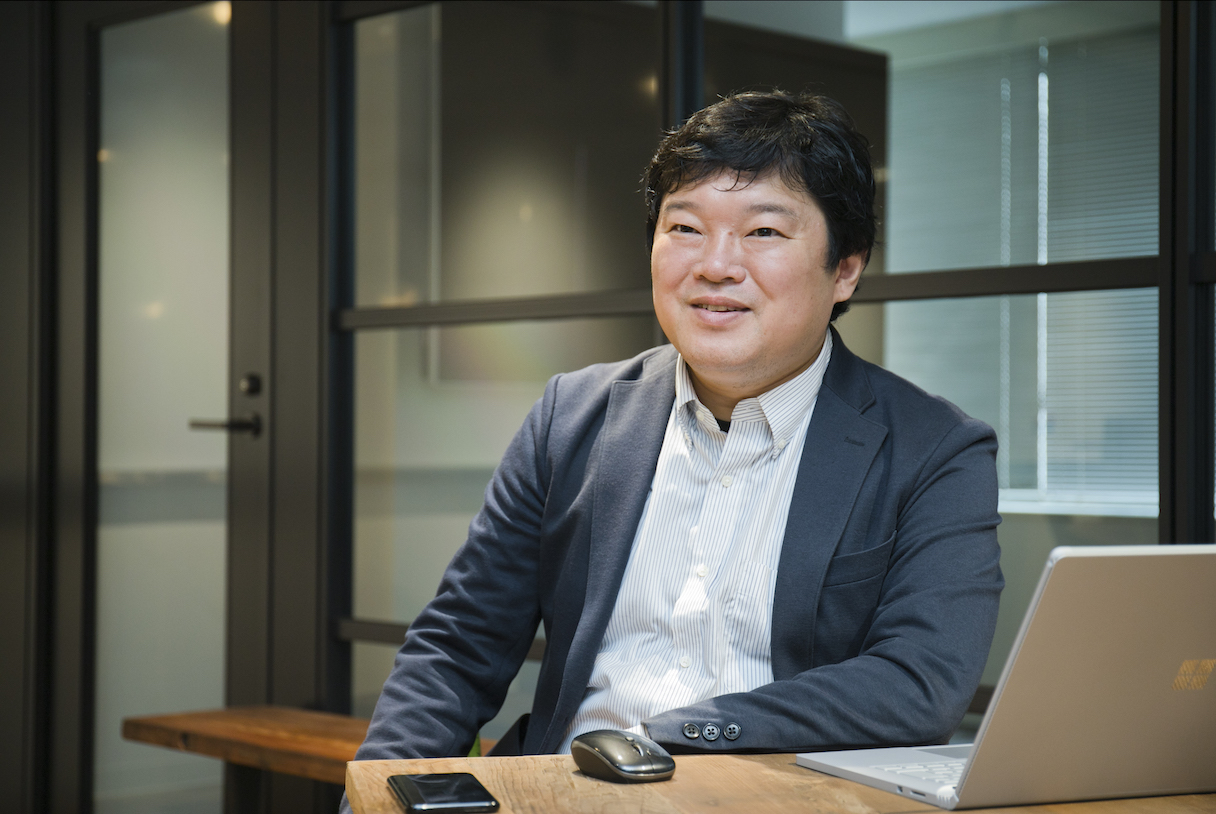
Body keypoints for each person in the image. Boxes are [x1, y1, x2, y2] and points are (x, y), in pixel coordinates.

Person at [348, 90, 1003, 776]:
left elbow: (916, 684)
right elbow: (457, 645)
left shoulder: (936, 451)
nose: (715, 265)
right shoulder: (571, 416)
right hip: (564, 792)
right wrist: (373, 793)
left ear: (846, 268)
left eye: (763, 233)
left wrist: (670, 735)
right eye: (685, 227)